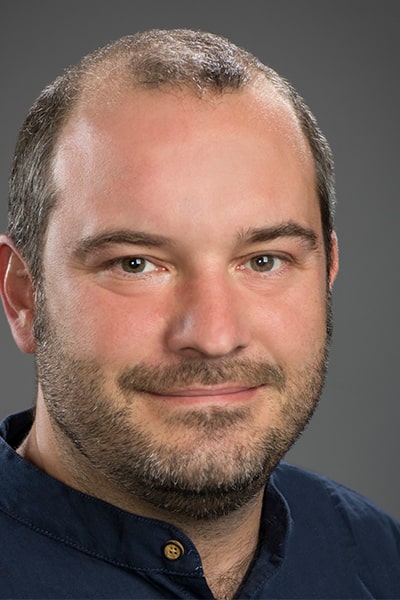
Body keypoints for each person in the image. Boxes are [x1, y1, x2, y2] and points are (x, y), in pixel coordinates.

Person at [0, 28, 398, 600]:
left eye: (264, 260)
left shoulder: (379, 559)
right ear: (24, 295)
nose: (213, 336)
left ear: (327, 272)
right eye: (136, 264)